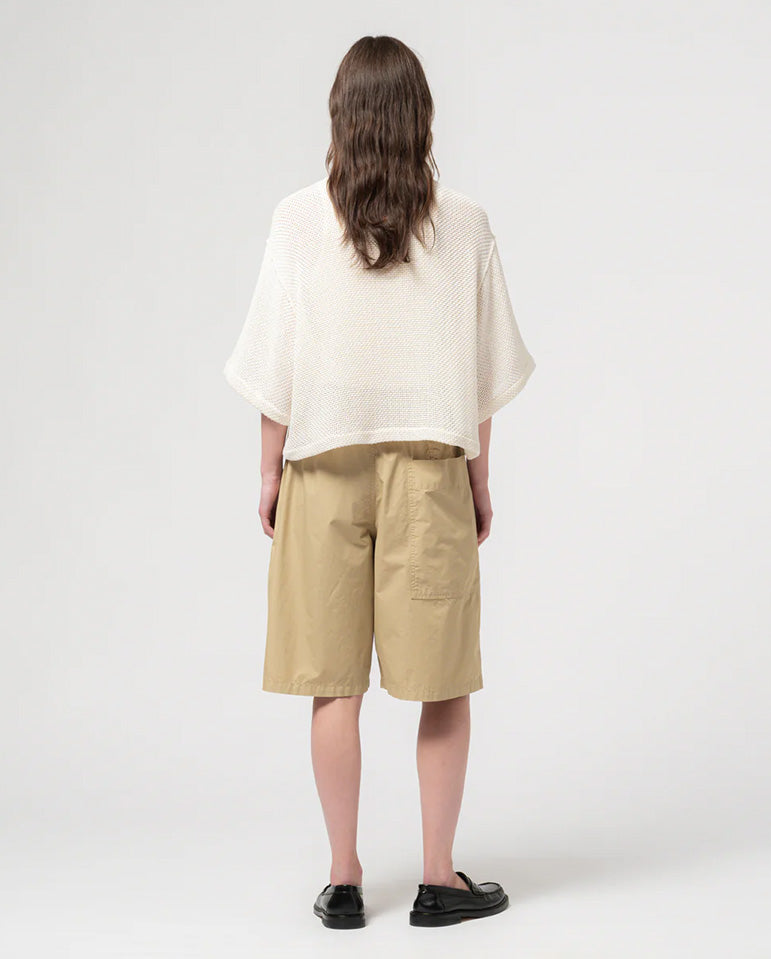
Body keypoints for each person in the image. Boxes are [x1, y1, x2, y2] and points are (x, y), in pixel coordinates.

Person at [223, 35, 535, 930]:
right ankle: (438, 878)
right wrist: (478, 480)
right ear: (419, 118)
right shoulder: (464, 223)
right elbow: (483, 376)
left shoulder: (297, 220)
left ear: (341, 118)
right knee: (442, 680)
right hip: (429, 470)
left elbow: (274, 367)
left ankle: (344, 879)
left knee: (335, 684)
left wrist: (267, 471)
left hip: (321, 465)